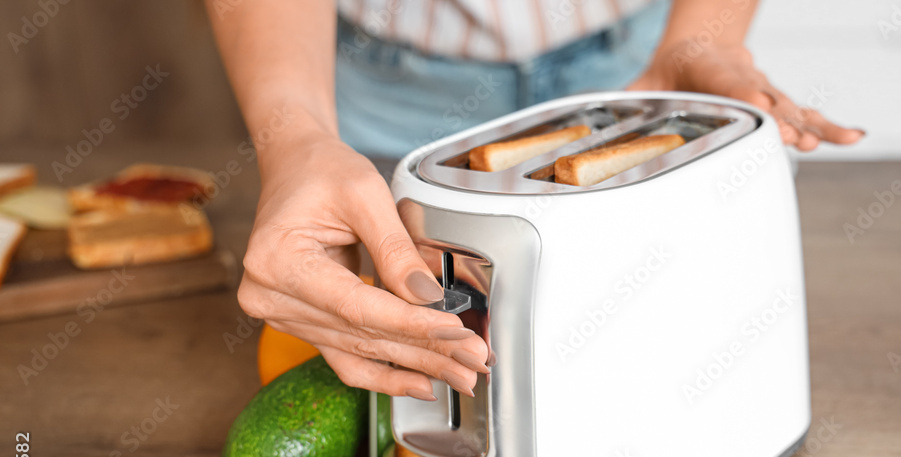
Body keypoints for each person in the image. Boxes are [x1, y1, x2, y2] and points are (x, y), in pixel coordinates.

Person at [207, 0, 863, 400]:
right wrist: (297, 137)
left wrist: (706, 39)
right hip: (379, 76)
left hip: (641, 52)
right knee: (409, 339)